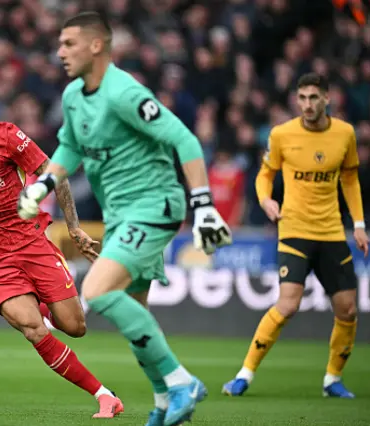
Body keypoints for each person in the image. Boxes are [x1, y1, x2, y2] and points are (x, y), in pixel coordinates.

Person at [17, 12, 232, 426]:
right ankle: (166, 402)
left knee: (96, 292)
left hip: (154, 206)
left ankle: (181, 381)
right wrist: (42, 187)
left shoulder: (125, 93)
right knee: (135, 310)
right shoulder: (73, 97)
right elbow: (68, 149)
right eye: (60, 44)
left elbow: (183, 138)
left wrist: (203, 205)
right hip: (120, 216)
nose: (60, 52)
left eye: (69, 44)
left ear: (97, 46)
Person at [0, 79, 124, 419]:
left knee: (75, 327)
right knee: (33, 329)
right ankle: (104, 395)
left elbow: (54, 175)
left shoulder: (6, 136)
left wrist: (73, 228)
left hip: (31, 241)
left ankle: (45, 304)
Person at [222, 73, 369, 398]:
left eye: (313, 97)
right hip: (294, 231)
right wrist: (265, 200)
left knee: (347, 310)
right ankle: (244, 374)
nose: (307, 104)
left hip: (331, 232)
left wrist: (358, 223)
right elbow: (265, 174)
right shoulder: (282, 134)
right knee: (287, 304)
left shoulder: (345, 134)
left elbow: (349, 179)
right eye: (302, 98)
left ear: (327, 99)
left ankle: (333, 379)